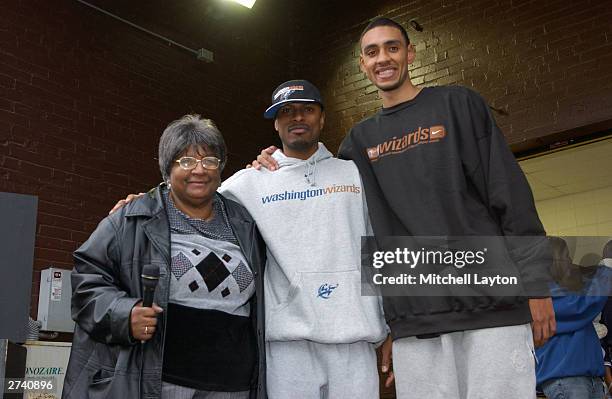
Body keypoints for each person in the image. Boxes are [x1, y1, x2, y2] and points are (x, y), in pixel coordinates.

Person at [253, 17, 556, 399]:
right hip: (416, 319)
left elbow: (510, 195)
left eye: (392, 47)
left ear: (410, 53)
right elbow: (343, 218)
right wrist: (273, 163)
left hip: (491, 305)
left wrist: (537, 285)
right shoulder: (358, 143)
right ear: (363, 65)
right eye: (372, 52)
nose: (383, 58)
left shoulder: (459, 104)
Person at [111, 81, 388, 398]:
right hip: (286, 344)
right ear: (275, 123)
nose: (297, 118)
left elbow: (381, 247)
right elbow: (192, 192)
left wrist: (395, 325)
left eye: (307, 109)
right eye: (287, 112)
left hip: (355, 337)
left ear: (322, 117)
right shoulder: (249, 183)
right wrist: (142, 203)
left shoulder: (355, 175)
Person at [63, 115, 266, 399]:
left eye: (209, 160)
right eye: (185, 161)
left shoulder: (243, 222)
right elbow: (87, 281)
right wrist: (124, 314)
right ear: (167, 167)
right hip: (161, 382)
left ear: (221, 167)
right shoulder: (133, 218)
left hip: (233, 385)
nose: (199, 170)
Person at [536, 237, 608, 399]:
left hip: (588, 378)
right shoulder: (543, 294)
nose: (570, 260)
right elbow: (581, 306)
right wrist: (606, 271)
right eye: (566, 256)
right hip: (567, 379)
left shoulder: (565, 290)